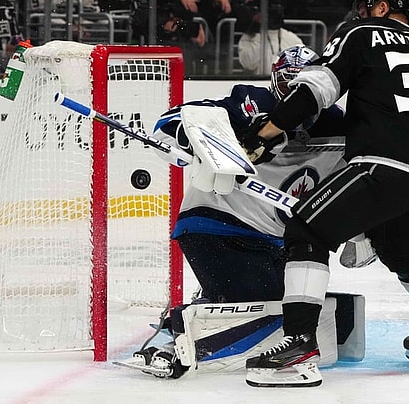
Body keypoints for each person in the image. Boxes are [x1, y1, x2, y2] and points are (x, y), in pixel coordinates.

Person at [240, 0, 409, 387]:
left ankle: (299, 344)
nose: (361, 12)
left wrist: (266, 131)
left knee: (306, 229)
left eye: (367, 5)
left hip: (387, 163)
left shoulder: (361, 33)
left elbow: (316, 90)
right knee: (401, 250)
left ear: (381, 7)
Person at [121, 45, 368, 379]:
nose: (295, 96)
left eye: (302, 88)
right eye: (287, 85)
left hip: (274, 241)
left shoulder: (339, 125)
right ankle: (170, 336)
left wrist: (361, 234)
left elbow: (357, 180)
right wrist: (205, 142)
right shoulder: (250, 105)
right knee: (267, 311)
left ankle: (212, 301)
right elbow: (168, 123)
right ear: (274, 82)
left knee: (295, 312)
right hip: (216, 223)